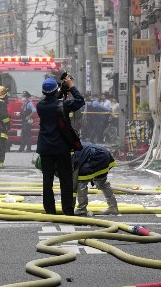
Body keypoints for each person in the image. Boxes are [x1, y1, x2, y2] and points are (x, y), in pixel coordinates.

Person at [36, 75, 85, 216]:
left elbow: (53, 100)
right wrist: (71, 86)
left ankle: (50, 210)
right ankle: (67, 209)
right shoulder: (63, 105)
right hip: (61, 147)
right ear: (55, 89)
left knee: (47, 180)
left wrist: (61, 91)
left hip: (45, 148)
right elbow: (79, 101)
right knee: (65, 179)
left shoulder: (40, 106)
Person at [72, 142, 119, 216]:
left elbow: (74, 178)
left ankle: (81, 209)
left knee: (81, 180)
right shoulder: (71, 147)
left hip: (97, 156)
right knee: (102, 182)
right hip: (104, 154)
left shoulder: (68, 154)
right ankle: (113, 207)